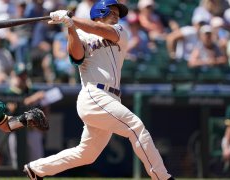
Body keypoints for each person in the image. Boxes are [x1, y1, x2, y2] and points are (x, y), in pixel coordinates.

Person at [23, 0, 175, 180]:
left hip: (110, 98)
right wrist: (70, 27)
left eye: (118, 13)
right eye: (112, 12)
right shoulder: (81, 34)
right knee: (135, 126)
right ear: (100, 11)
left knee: (87, 154)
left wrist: (72, 19)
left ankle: (36, 168)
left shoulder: (119, 31)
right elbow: (77, 57)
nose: (117, 16)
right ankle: (162, 177)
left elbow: (101, 30)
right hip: (94, 94)